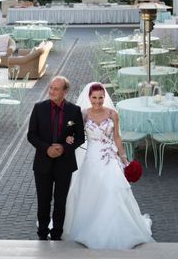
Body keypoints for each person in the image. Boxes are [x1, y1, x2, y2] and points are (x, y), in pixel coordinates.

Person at [62, 82, 154, 249]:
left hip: (110, 157)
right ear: (89, 97)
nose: (97, 101)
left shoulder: (113, 114)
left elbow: (117, 138)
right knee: (92, 192)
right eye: (94, 98)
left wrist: (124, 159)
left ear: (105, 97)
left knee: (113, 189)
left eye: (100, 98)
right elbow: (73, 134)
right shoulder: (82, 114)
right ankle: (91, 226)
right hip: (91, 158)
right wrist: (69, 139)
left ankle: (117, 228)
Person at [27, 76, 85, 241]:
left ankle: (57, 233)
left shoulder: (74, 110)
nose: (51, 91)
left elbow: (80, 137)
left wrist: (64, 148)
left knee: (60, 201)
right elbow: (31, 135)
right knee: (43, 200)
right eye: (51, 88)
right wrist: (47, 149)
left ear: (65, 91)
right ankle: (43, 232)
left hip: (64, 164)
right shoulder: (39, 108)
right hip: (42, 163)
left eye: (56, 89)